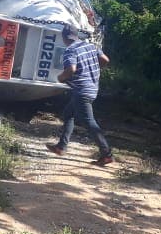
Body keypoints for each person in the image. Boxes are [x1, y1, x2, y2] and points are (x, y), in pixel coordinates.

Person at [45, 24, 114, 166]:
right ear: (76, 35)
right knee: (68, 113)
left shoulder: (70, 51)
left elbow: (71, 69)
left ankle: (107, 154)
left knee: (89, 122)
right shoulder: (91, 46)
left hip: (82, 92)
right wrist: (91, 70)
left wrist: (61, 77)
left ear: (64, 38)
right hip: (92, 88)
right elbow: (105, 60)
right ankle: (61, 147)